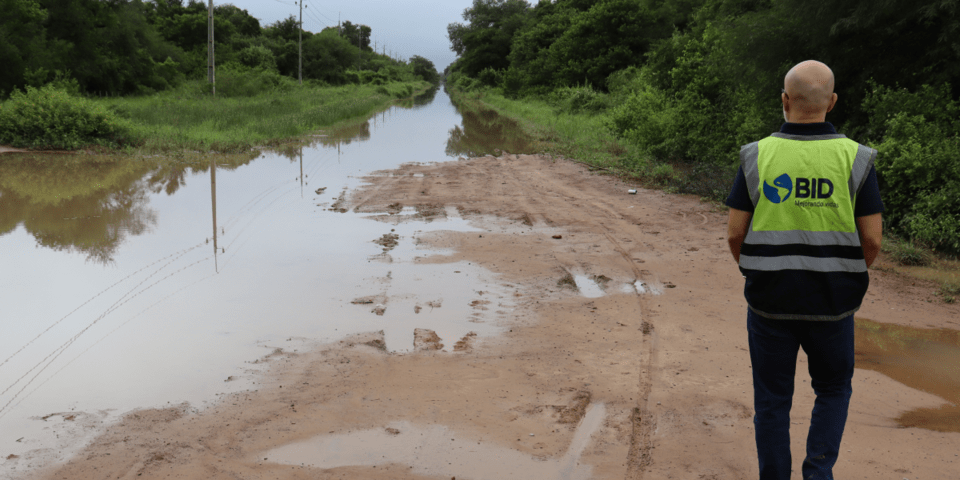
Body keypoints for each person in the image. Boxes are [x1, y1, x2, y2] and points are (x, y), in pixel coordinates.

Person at [725, 60, 884, 480]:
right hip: (834, 304)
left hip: (768, 302)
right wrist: (846, 273)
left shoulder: (756, 155)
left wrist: (760, 271)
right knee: (832, 390)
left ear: (784, 100)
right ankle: (818, 474)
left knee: (772, 401)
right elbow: (872, 240)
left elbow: (734, 234)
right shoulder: (857, 158)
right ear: (832, 102)